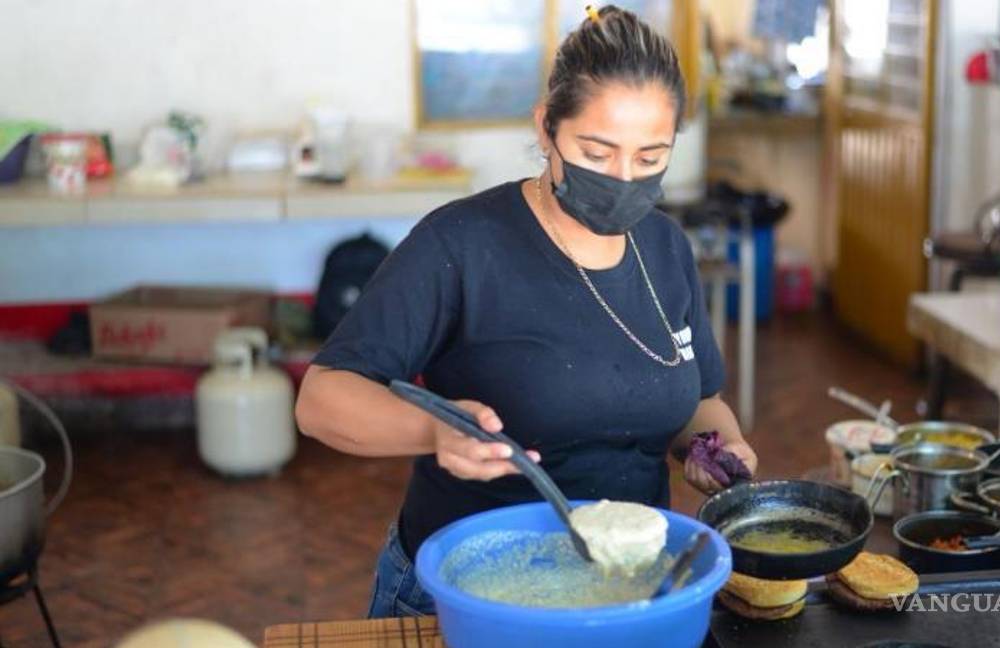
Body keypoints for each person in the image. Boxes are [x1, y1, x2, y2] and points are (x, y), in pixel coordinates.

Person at [294, 5, 758, 618]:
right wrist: (434, 431)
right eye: (597, 152)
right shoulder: (461, 244)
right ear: (546, 129)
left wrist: (715, 442)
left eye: (650, 159)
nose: (624, 179)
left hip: (628, 588)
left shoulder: (666, 248)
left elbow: (697, 399)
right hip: (471, 593)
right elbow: (321, 400)